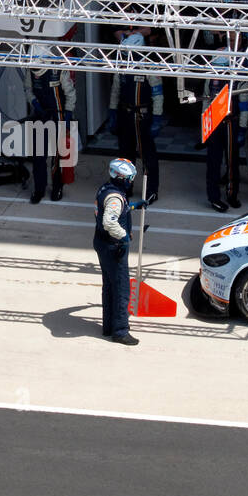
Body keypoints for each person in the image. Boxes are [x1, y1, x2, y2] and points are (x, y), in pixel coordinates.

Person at [94, 158, 148, 346]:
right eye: (129, 178)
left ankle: (108, 325)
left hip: (101, 243)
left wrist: (133, 206)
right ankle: (120, 331)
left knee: (109, 285)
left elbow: (112, 210)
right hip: (114, 247)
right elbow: (109, 221)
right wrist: (124, 237)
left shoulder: (106, 189)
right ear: (122, 178)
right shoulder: (116, 198)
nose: (131, 182)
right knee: (122, 289)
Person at [107, 33, 163, 204]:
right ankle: (125, 187)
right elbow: (115, 91)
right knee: (125, 155)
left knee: (148, 156)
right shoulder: (122, 66)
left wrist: (157, 119)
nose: (125, 55)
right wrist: (113, 112)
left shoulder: (150, 67)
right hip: (125, 114)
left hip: (143, 116)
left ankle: (151, 190)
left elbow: (158, 95)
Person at [27, 44, 77, 204]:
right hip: (40, 115)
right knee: (38, 155)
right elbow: (27, 89)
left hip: (59, 116)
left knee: (58, 155)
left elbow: (70, 93)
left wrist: (68, 115)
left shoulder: (59, 69)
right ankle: (39, 189)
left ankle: (57, 187)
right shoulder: (29, 70)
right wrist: (35, 103)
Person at [204, 57, 242, 212]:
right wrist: (205, 126)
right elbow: (205, 100)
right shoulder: (209, 79)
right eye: (215, 67)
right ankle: (214, 198)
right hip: (213, 121)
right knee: (213, 162)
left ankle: (232, 194)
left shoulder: (236, 78)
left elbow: (245, 101)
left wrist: (244, 127)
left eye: (221, 67)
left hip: (231, 122)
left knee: (232, 161)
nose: (217, 71)